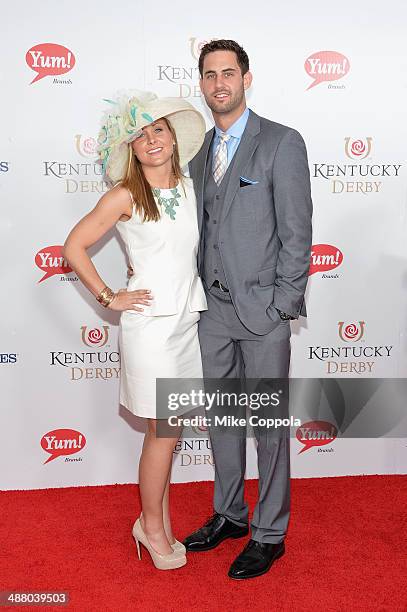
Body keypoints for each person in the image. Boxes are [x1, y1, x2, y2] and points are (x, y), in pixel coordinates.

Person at [182, 40, 313, 579]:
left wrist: (283, 305)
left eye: (228, 73)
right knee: (225, 420)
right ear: (202, 82)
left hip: (263, 314)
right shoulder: (196, 151)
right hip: (210, 312)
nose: (219, 83)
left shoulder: (281, 143)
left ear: (246, 78)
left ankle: (269, 532)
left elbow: (297, 233)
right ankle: (231, 514)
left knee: (267, 425)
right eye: (210, 74)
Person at [63, 91, 207, 571]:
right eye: (140, 135)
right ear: (130, 148)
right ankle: (150, 527)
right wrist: (110, 297)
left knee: (168, 430)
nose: (151, 140)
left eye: (158, 130)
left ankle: (157, 520)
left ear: (172, 138)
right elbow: (74, 247)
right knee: (164, 432)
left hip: (187, 322)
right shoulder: (124, 195)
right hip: (149, 328)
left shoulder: (189, 186)